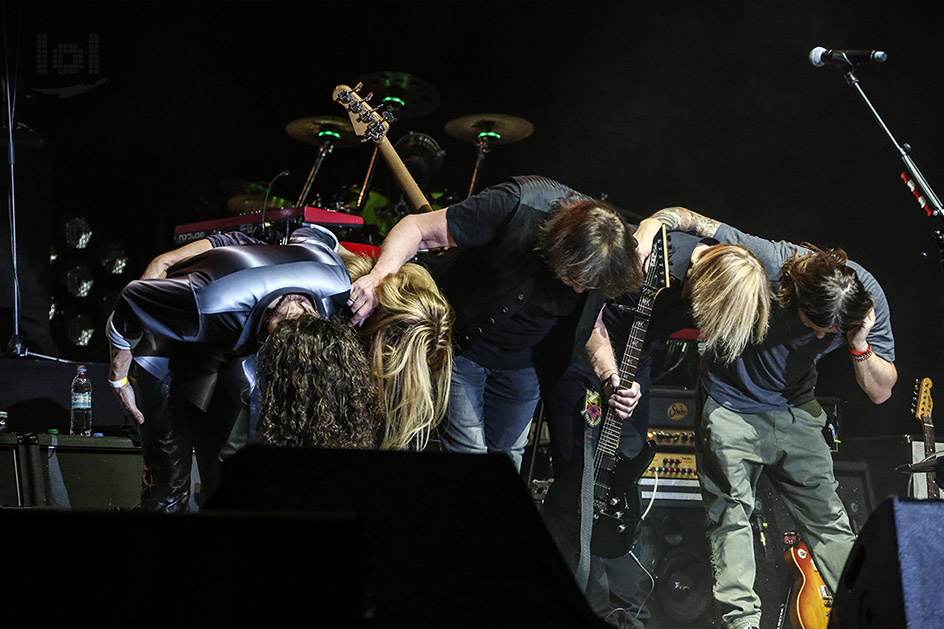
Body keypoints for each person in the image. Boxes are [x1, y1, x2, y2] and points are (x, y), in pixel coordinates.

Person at [633, 206, 897, 629]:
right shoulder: (770, 260)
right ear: (796, 295)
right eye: (815, 326)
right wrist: (649, 228)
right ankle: (742, 624)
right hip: (730, 405)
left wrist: (860, 343)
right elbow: (685, 217)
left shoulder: (863, 298)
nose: (820, 337)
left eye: (831, 332)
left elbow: (881, 391)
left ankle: (870, 614)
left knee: (830, 521)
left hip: (795, 409)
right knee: (730, 519)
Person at [107, 225, 452, 512]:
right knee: (168, 492)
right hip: (161, 346)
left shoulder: (332, 280)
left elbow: (312, 233)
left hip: (227, 350)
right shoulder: (211, 302)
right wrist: (119, 378)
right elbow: (131, 302)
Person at [541, 230, 771, 628]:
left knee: (623, 484)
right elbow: (587, 308)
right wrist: (608, 375)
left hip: (635, 364)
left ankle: (629, 612)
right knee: (579, 485)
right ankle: (591, 605)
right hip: (586, 351)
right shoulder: (649, 258)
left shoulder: (736, 280)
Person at [348, 175, 644, 471]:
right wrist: (379, 278)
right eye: (576, 279)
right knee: (470, 452)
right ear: (561, 247)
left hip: (525, 366)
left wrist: (610, 378)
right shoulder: (517, 203)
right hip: (460, 347)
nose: (580, 290)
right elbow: (417, 229)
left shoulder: (610, 258)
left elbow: (593, 323)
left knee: (509, 457)